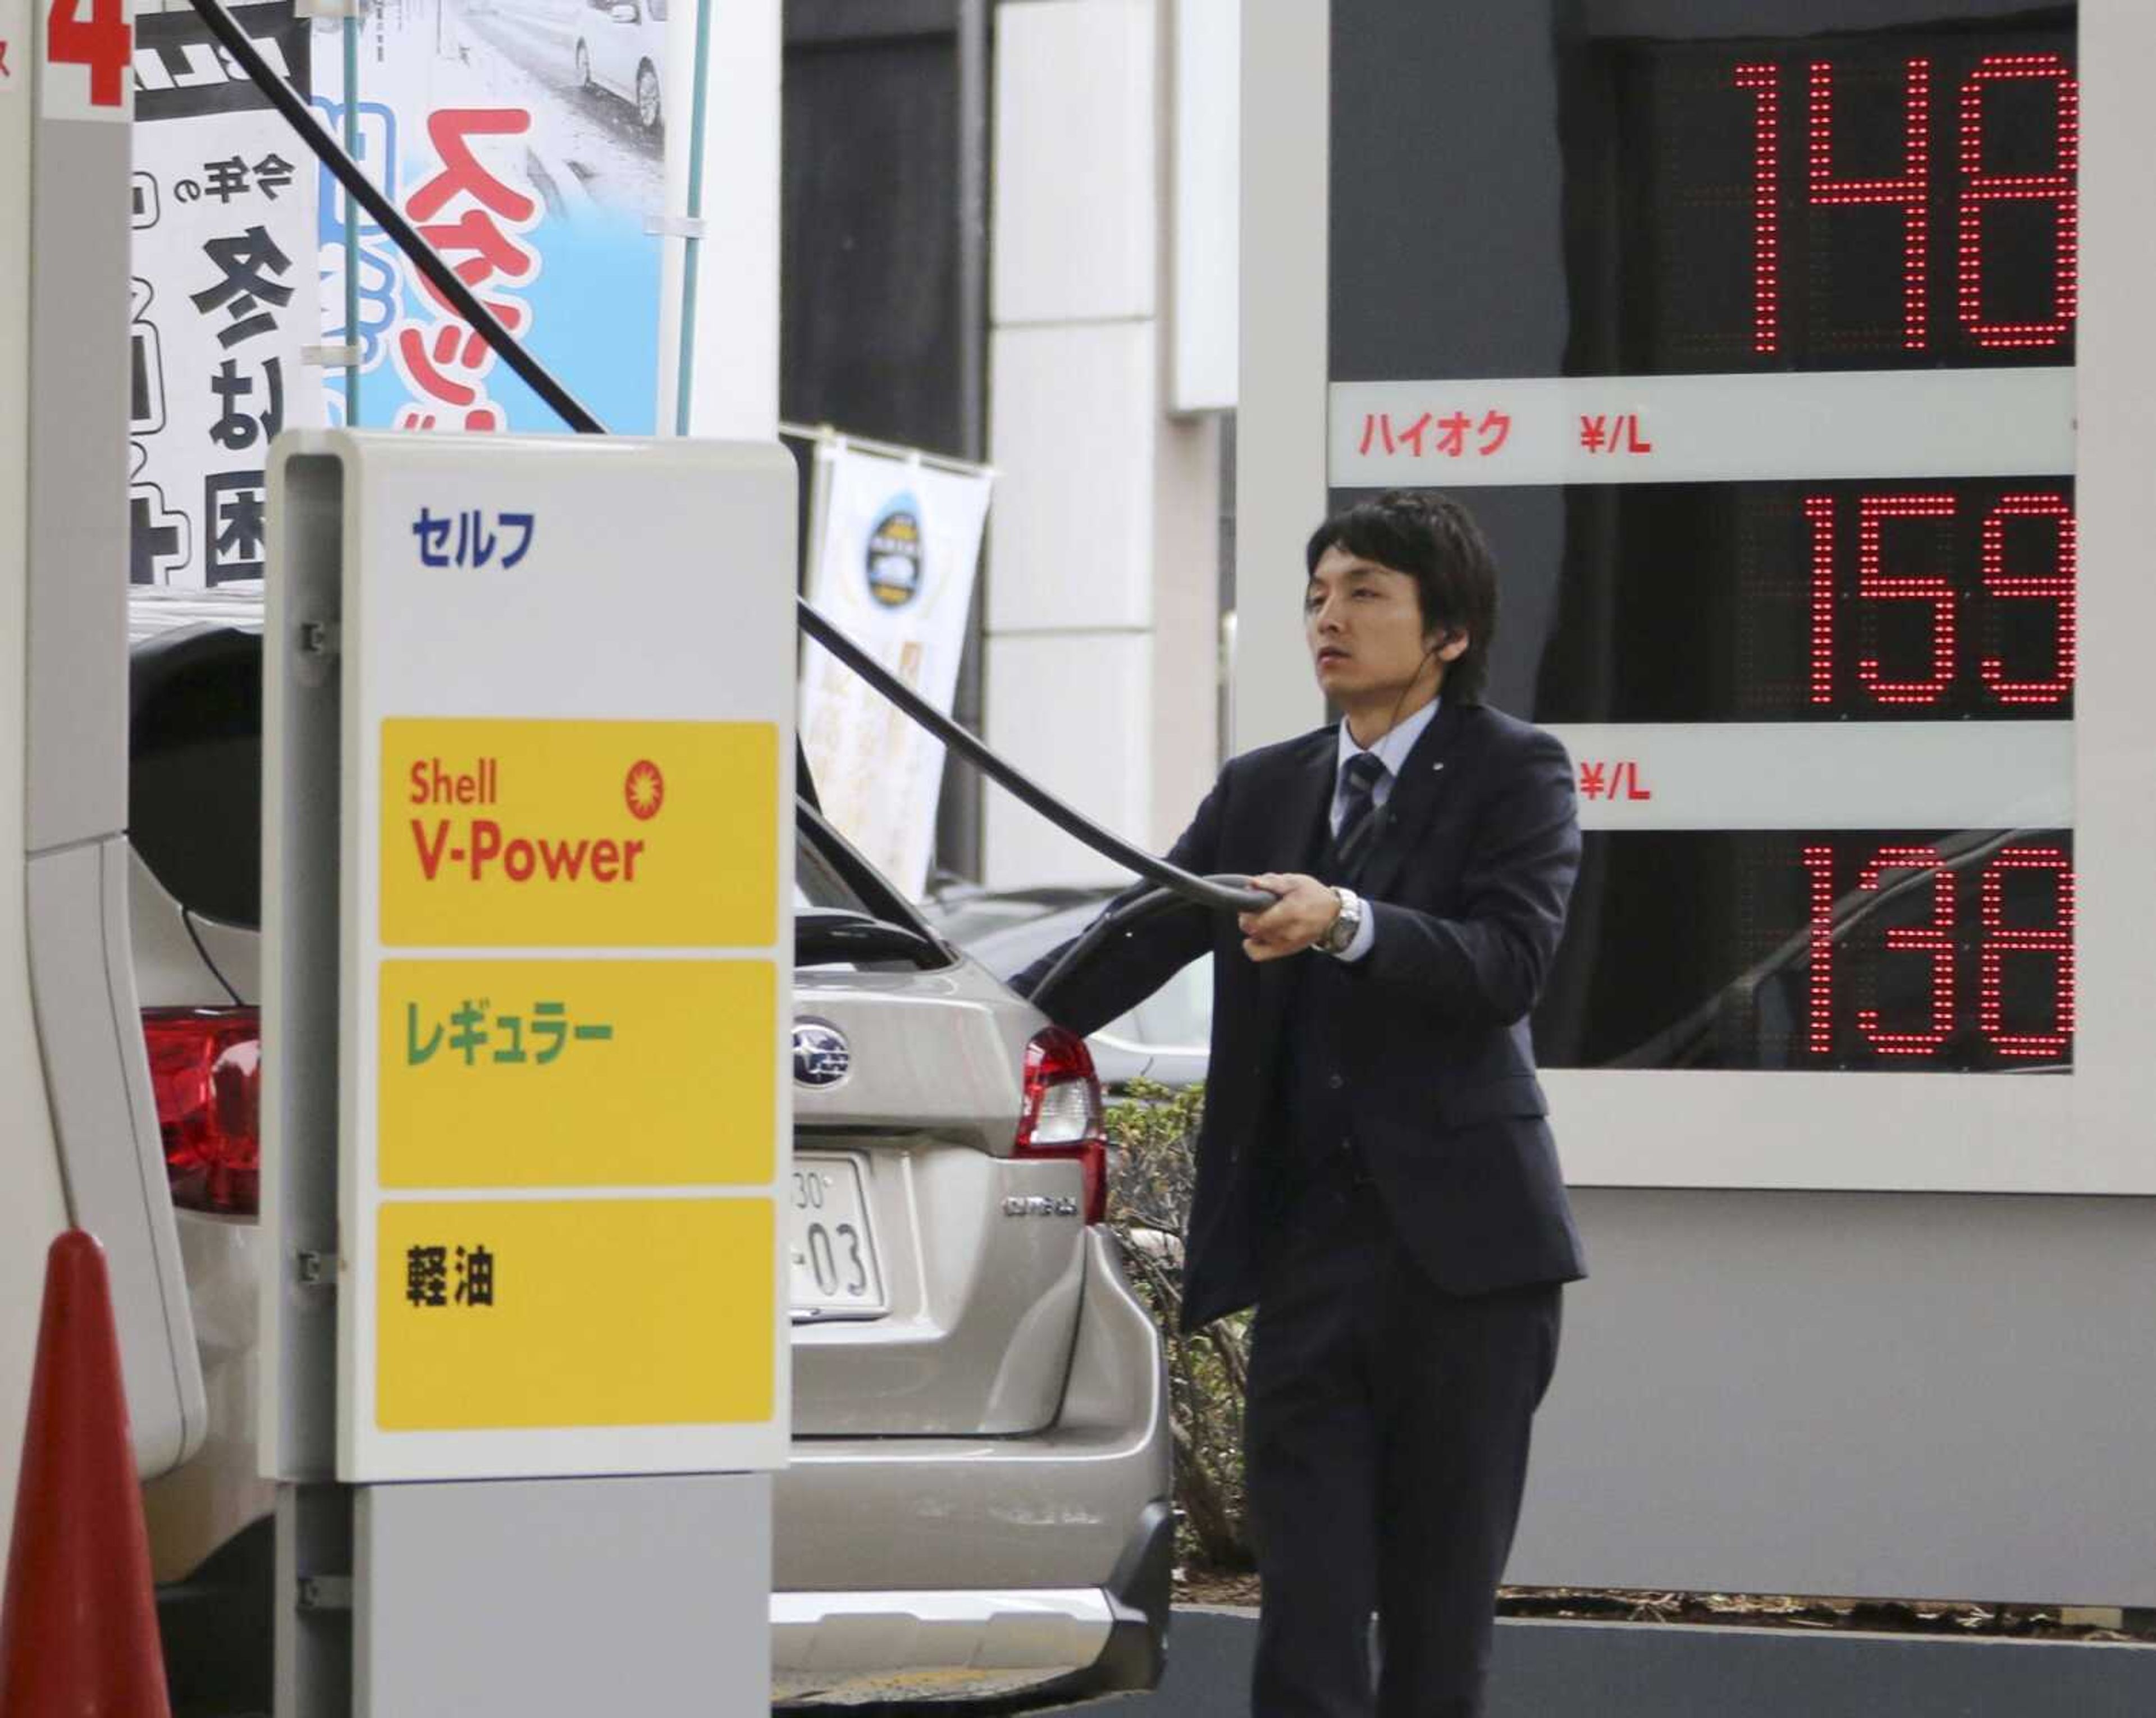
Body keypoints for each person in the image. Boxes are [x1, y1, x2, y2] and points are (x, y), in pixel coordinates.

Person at [1015, 489, 1586, 1718]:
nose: (1330, 617)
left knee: (1439, 1629)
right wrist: (974, 1017)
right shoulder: (1263, 786)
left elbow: (1507, 968)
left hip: (1471, 1268)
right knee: (1307, 1620)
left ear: (1449, 633)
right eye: (1318, 593)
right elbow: (1128, 947)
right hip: (1303, 1262)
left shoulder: (1516, 772)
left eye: (1366, 592)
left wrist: (1351, 920)